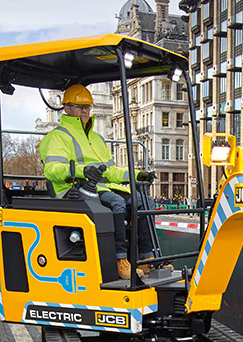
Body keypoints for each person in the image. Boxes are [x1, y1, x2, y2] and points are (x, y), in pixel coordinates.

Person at [40, 84, 158, 280]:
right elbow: (52, 170)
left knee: (145, 201)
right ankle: (120, 260)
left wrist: (137, 175)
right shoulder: (56, 137)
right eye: (79, 107)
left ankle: (146, 258)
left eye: (87, 107)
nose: (85, 111)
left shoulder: (96, 138)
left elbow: (110, 171)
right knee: (117, 203)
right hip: (73, 191)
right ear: (66, 109)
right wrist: (82, 171)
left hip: (100, 188)